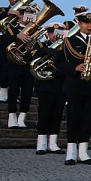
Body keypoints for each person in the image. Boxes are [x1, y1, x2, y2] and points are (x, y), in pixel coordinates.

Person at [57, 11, 91, 166]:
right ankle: (71, 152)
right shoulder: (69, 42)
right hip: (74, 84)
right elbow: (58, 62)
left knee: (88, 119)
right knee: (73, 118)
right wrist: (74, 67)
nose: (89, 26)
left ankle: (83, 151)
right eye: (86, 23)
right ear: (79, 24)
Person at [28, 22, 67, 154]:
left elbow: (68, 65)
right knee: (44, 114)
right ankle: (41, 143)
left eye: (59, 33)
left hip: (60, 84)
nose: (55, 36)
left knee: (57, 114)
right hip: (45, 85)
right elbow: (29, 58)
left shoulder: (66, 49)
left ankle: (53, 143)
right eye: (52, 33)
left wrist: (58, 68)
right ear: (48, 34)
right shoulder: (40, 46)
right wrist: (43, 51)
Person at [0, 0, 23, 104]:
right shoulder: (3, 10)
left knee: (19, 70)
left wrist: (21, 15)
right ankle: (3, 93)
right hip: (6, 41)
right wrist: (8, 13)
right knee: (4, 66)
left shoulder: (28, 11)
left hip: (22, 43)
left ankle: (16, 93)